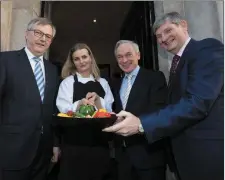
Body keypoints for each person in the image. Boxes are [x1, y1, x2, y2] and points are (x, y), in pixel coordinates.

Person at [103, 12, 224, 180]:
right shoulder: (177, 63)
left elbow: (197, 103)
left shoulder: (206, 49)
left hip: (206, 154)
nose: (163, 39)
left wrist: (140, 124)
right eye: (159, 36)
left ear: (183, 25)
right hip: (182, 156)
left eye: (168, 31)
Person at [0, 18, 59, 180]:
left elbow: (52, 109)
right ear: (26, 34)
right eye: (38, 33)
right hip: (11, 150)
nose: (43, 39)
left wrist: (55, 144)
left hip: (43, 152)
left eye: (48, 36)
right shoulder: (5, 61)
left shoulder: (52, 70)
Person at [55, 43, 114, 180]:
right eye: (77, 59)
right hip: (73, 143)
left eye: (84, 57)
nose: (81, 61)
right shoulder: (67, 83)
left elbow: (109, 111)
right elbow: (62, 108)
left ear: (91, 58)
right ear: (73, 62)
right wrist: (79, 104)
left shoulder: (103, 82)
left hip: (99, 143)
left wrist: (98, 100)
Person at [110, 40, 168, 180]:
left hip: (149, 157)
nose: (124, 60)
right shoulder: (115, 84)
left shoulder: (155, 78)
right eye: (119, 57)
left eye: (128, 55)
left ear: (138, 55)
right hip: (123, 159)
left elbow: (160, 113)